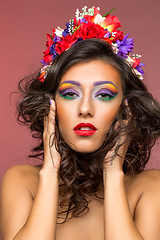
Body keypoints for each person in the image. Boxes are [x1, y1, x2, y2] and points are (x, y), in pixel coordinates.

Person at [1, 6, 160, 240]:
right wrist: (50, 172)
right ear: (50, 104)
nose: (85, 109)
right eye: (70, 94)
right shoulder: (23, 182)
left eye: (104, 95)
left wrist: (113, 174)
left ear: (127, 109)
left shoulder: (150, 188)